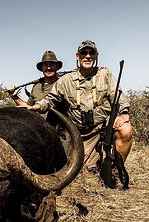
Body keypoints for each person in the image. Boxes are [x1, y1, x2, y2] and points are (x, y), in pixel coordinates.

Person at [22, 40, 133, 173]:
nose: (87, 56)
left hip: (101, 126)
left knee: (125, 129)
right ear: (77, 56)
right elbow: (51, 98)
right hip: (79, 132)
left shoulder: (105, 74)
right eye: (83, 53)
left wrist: (124, 113)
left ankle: (116, 171)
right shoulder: (65, 80)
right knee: (85, 173)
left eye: (91, 53)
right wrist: (37, 106)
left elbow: (117, 94)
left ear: (96, 55)